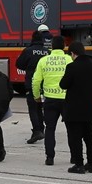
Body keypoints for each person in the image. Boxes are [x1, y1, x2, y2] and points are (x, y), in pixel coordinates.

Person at [58, 41, 92, 173]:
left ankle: (79, 165)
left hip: (75, 108)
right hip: (91, 107)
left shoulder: (72, 66)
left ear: (73, 53)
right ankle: (91, 164)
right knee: (89, 137)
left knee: (75, 137)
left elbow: (63, 84)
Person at [31, 35, 72, 167]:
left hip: (50, 100)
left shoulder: (43, 60)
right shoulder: (69, 59)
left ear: (52, 46)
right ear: (64, 46)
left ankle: (50, 157)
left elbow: (36, 81)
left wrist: (37, 96)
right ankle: (74, 156)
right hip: (66, 100)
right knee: (71, 129)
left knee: (50, 129)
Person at [16, 24, 51, 143]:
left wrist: (29, 67)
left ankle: (37, 131)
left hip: (32, 83)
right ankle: (41, 129)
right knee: (40, 107)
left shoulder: (28, 51)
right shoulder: (47, 51)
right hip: (45, 85)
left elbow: (19, 64)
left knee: (33, 108)